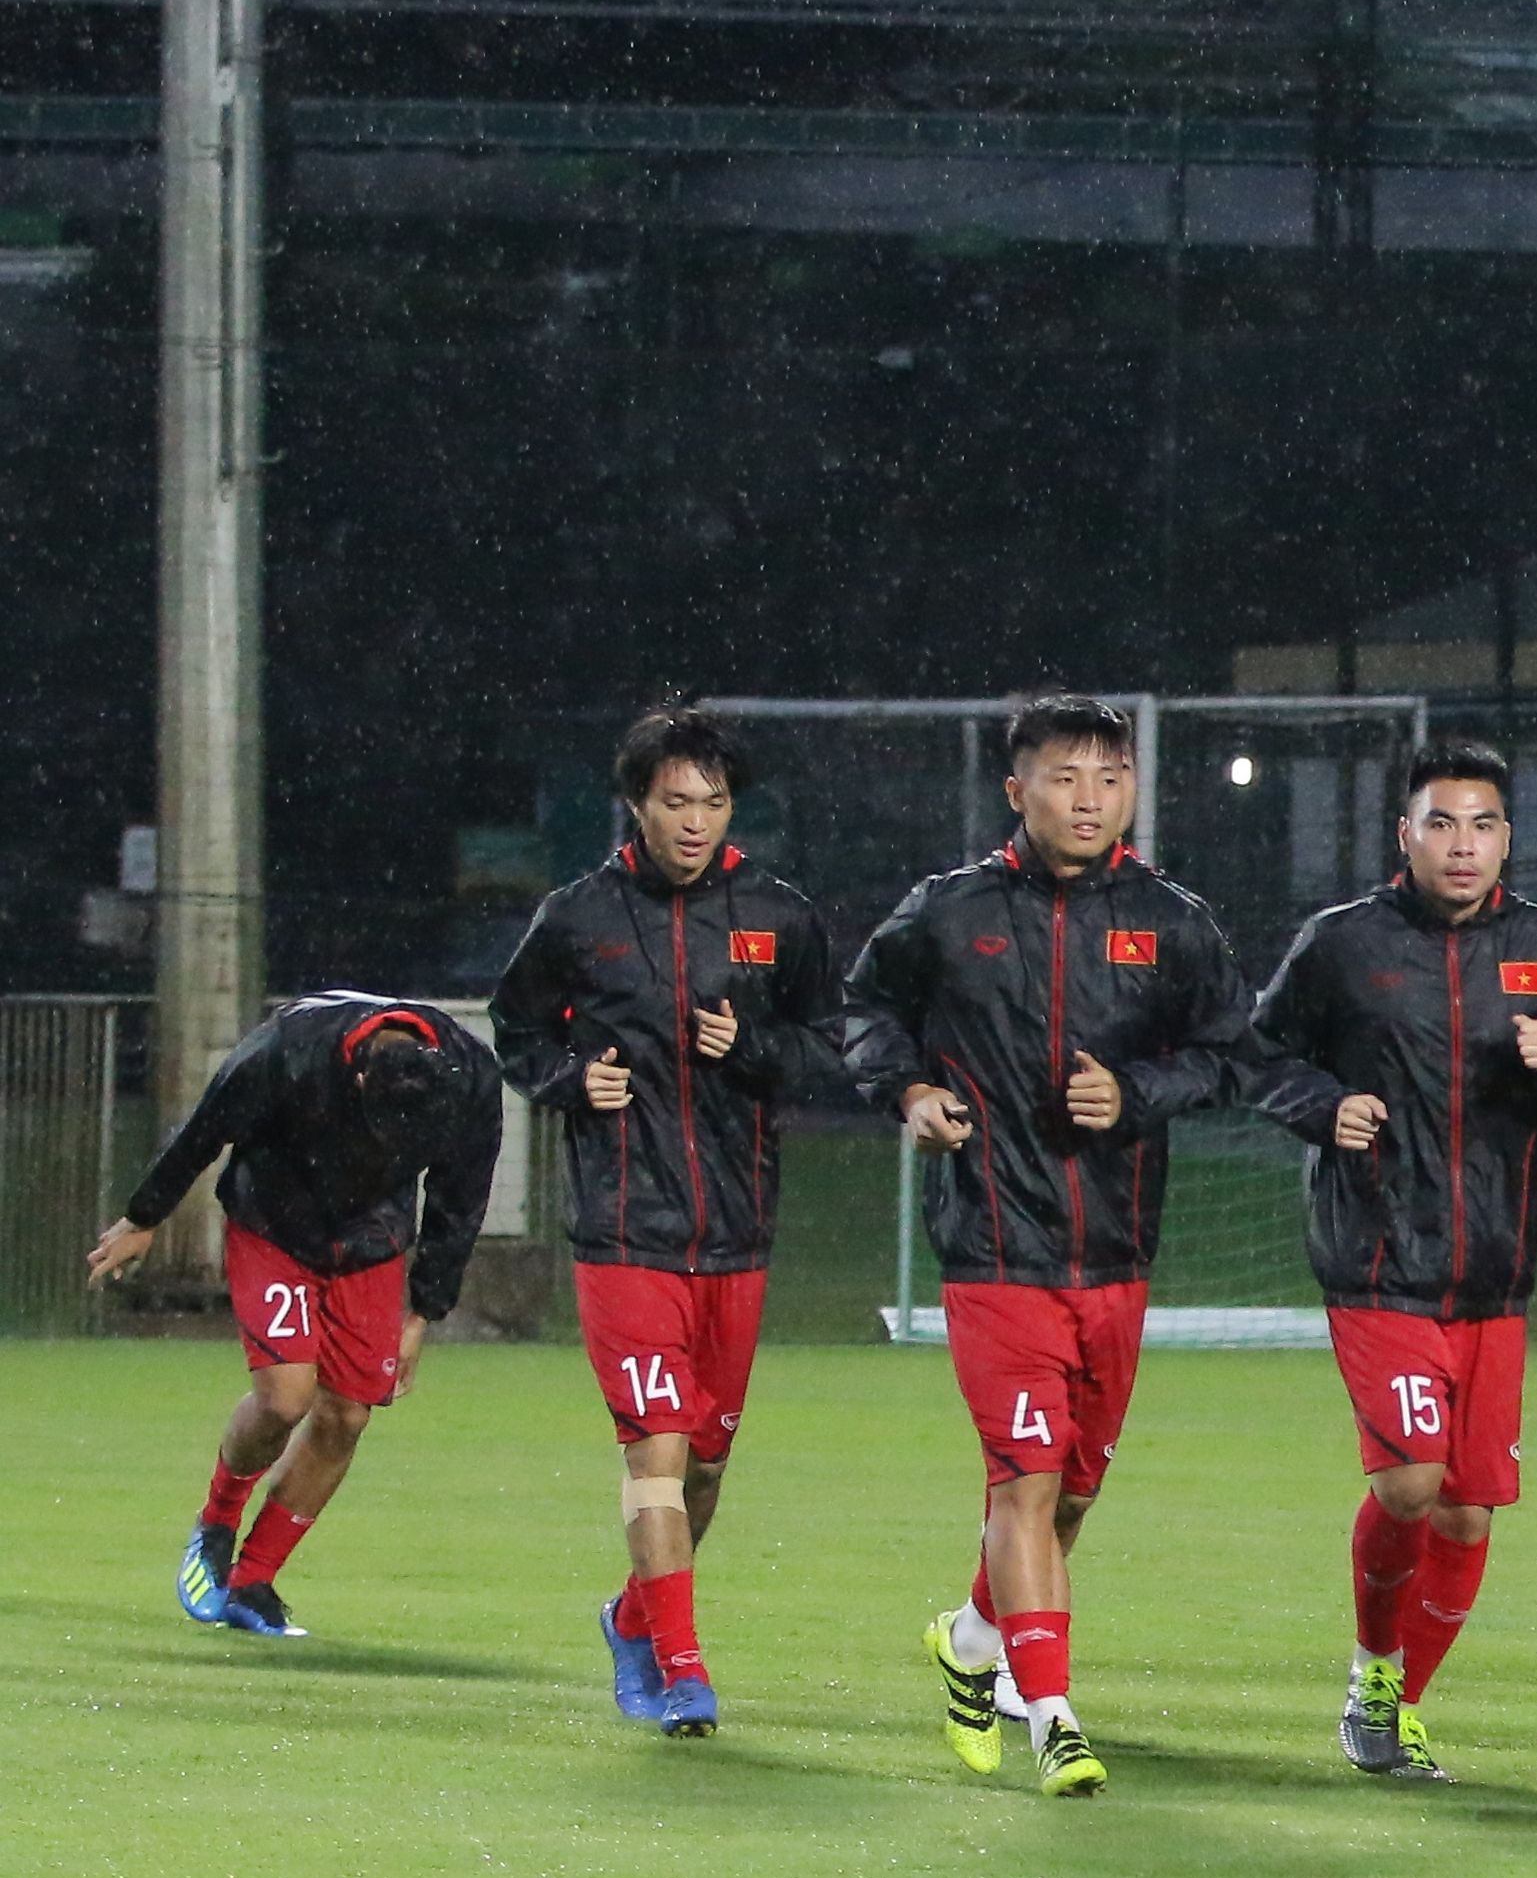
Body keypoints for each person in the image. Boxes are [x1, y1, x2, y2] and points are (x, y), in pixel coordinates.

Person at [837, 693, 1256, 1798]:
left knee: (1069, 1493)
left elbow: (1231, 1054)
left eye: (1109, 777)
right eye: (1066, 778)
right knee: (1022, 1478)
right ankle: (1053, 1715)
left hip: (1114, 1254)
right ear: (1017, 789)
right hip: (991, 1245)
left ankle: (973, 1642)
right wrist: (911, 1089)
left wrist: (1138, 1090)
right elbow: (864, 1012)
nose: (1090, 798)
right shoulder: (948, 911)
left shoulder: (1170, 920)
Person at [1252, 739, 1537, 1783]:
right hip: (1375, 1258)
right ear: (1404, 834)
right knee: (1413, 1480)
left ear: (1508, 838)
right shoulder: (1343, 944)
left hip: (1495, 1274)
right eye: (1442, 823)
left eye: (1483, 825)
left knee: (1466, 1506)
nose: (1463, 845)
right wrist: (1325, 1107)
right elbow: (1257, 1053)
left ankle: (1399, 1705)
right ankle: (1374, 1670)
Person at [481, 704, 844, 1732]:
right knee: (658, 1448)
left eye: (714, 802)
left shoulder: (781, 914)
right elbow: (516, 1032)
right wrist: (568, 1077)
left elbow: (835, 1047)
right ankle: (682, 1670)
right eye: (675, 801)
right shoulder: (577, 917)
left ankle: (631, 1618)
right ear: (635, 804)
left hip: (737, 1232)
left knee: (708, 1468)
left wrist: (757, 1049)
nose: (696, 822)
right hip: (623, 1231)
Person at [96, 993, 504, 1641]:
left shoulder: (469, 1078)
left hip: (371, 1239)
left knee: (347, 1415)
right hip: (274, 1224)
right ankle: (217, 1524)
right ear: (363, 1076)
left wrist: (425, 1312)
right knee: (287, 1398)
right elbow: (206, 1128)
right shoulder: (287, 1051)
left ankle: (252, 1582)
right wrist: (145, 1216)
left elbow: (461, 1198)